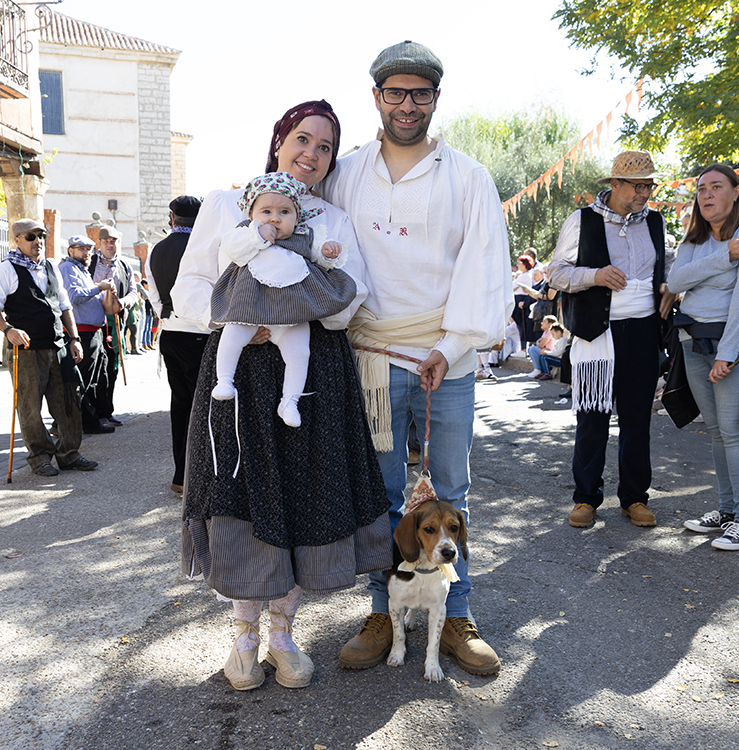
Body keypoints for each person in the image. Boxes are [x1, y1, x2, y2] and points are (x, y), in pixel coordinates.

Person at [172, 99, 390, 691]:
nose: (311, 154)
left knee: (295, 498)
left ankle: (282, 634)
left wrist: (297, 307)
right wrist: (243, 317)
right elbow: (188, 288)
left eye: (325, 147)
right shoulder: (225, 204)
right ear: (278, 140)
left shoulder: (332, 221)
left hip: (310, 375)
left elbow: (351, 301)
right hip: (238, 371)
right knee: (242, 494)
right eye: (302, 139)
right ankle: (243, 636)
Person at [322, 41, 510, 677]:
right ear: (377, 97)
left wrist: (451, 347)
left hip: (443, 363)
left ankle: (456, 615)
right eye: (395, 93)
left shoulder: (468, 177)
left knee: (450, 492)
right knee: (381, 496)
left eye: (420, 93)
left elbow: (484, 267)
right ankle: (383, 611)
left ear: (435, 98)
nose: (407, 104)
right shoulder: (345, 173)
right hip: (368, 358)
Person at [547, 150, 675, 530]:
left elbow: (664, 265)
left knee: (637, 419)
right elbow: (555, 273)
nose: (645, 192)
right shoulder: (581, 219)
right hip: (596, 333)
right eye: (638, 185)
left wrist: (671, 284)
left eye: (649, 185)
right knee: (592, 416)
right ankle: (586, 498)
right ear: (615, 184)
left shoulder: (655, 221)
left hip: (642, 330)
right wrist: (595, 276)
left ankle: (635, 498)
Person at [670, 164, 739, 550]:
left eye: (716, 187)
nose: (706, 195)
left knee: (735, 431)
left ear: (736, 191)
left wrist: (727, 353)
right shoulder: (695, 238)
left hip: (736, 343)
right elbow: (676, 282)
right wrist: (725, 259)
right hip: (693, 341)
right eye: (701, 189)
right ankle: (728, 511)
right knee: (716, 430)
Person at [209, 172, 355, 427]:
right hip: (250, 307)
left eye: (285, 212)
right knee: (232, 333)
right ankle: (224, 380)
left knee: (300, 352)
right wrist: (258, 235)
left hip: (292, 311)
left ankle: (290, 401)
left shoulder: (304, 236)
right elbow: (233, 249)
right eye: (266, 211)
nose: (275, 218)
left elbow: (320, 261)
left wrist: (327, 253)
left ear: (297, 217)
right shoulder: (245, 232)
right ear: (251, 214)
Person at [0, 219, 98, 476]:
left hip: (57, 344)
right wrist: (7, 329)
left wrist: (74, 338)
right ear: (17, 240)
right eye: (30, 237)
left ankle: (69, 453)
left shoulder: (51, 267)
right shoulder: (6, 269)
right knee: (29, 405)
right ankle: (39, 457)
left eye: (41, 236)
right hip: (25, 349)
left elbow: (65, 305)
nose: (37, 241)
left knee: (69, 399)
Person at [146, 194, 207, 494]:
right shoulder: (203, 247)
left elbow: (154, 296)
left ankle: (180, 476)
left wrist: (168, 317)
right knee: (203, 406)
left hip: (170, 332)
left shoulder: (155, 250)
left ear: (172, 218)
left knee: (180, 404)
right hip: (200, 333)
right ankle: (200, 476)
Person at [58, 235, 116, 435]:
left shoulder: (80, 269)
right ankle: (68, 424)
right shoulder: (67, 268)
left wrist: (102, 293)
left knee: (92, 381)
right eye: (81, 248)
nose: (86, 253)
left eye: (89, 249)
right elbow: (74, 296)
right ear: (71, 250)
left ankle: (87, 421)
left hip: (93, 332)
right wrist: (99, 288)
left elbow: (86, 295)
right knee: (80, 381)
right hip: (82, 333)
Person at [87, 226, 137, 427]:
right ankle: (92, 413)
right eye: (105, 241)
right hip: (92, 322)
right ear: (99, 243)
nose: (109, 244)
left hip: (115, 321)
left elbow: (133, 292)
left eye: (113, 241)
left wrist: (123, 303)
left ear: (119, 242)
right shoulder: (89, 263)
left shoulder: (125, 265)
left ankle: (106, 411)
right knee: (95, 366)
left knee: (112, 366)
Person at [525, 314, 559, 379]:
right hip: (546, 351)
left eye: (544, 322)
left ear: (550, 324)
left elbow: (540, 344)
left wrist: (538, 343)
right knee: (531, 349)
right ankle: (538, 369)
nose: (541, 323)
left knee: (532, 349)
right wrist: (540, 344)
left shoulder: (549, 332)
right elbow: (540, 344)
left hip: (551, 352)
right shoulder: (545, 332)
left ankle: (538, 369)